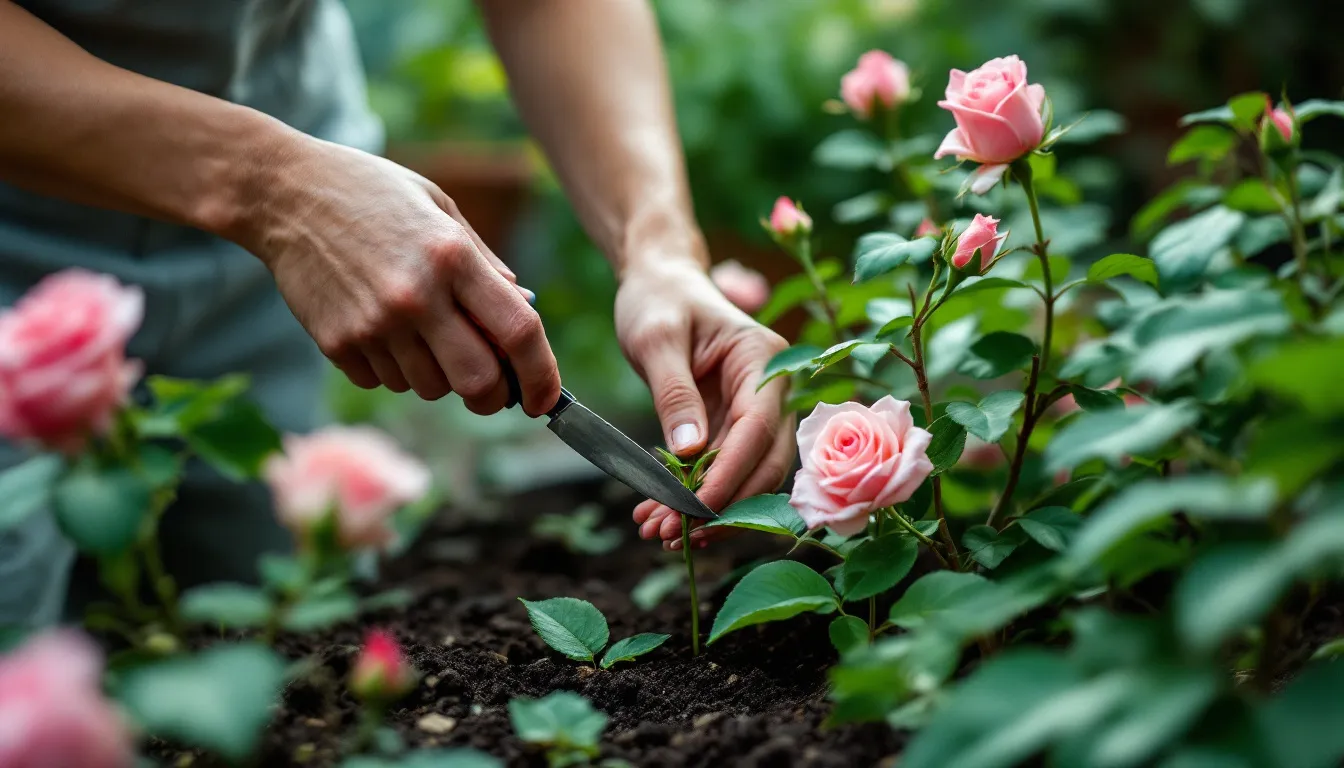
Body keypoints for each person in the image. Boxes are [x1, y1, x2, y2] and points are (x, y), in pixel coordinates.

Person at [0, 0, 795, 629]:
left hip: (282, 229)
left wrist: (658, 251)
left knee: (258, 626)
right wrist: (273, 188)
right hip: (31, 241)